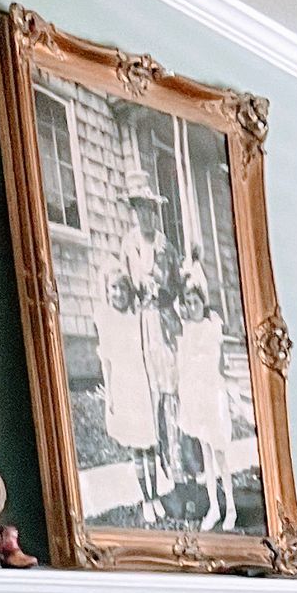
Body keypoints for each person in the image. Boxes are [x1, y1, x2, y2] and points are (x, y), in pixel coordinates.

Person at [97, 187, 183, 522]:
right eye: (138, 210)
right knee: (143, 407)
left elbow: (175, 287)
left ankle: (174, 475)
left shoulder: (164, 248)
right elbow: (121, 285)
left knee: (166, 398)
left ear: (156, 213)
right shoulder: (128, 245)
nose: (144, 216)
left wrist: (161, 291)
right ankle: (152, 484)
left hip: (160, 321)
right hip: (137, 329)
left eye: (149, 210)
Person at [175, 263, 236, 530]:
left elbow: (216, 362)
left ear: (203, 301)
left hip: (213, 394)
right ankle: (213, 506)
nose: (192, 305)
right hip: (196, 397)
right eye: (187, 302)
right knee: (206, 456)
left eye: (195, 300)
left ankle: (231, 507)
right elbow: (184, 366)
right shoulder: (186, 330)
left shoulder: (213, 326)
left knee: (220, 454)